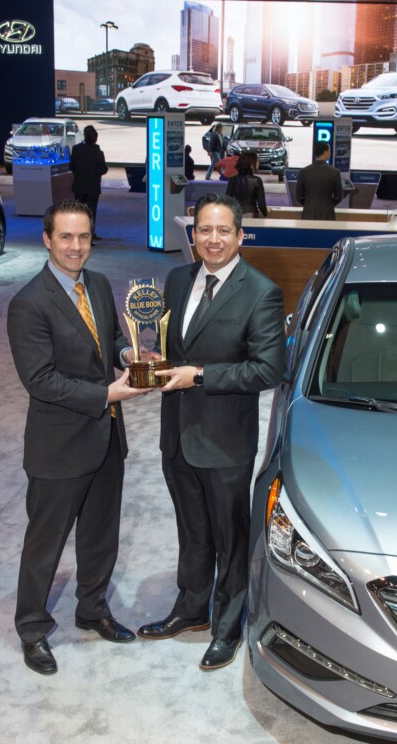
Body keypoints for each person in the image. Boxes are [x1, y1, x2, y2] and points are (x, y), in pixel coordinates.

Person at [138, 192, 285, 671]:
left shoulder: (260, 291)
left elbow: (267, 370)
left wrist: (199, 374)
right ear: (193, 234)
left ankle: (228, 625)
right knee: (192, 530)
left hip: (224, 441)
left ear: (241, 236)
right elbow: (173, 344)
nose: (213, 239)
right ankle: (190, 608)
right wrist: (158, 362)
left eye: (224, 231)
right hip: (176, 434)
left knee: (229, 537)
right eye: (204, 230)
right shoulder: (178, 279)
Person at [6, 199, 150, 676]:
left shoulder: (100, 285)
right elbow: (40, 380)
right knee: (45, 543)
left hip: (106, 437)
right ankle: (31, 628)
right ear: (47, 239)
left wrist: (128, 353)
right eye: (65, 237)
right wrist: (105, 391)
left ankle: (92, 609)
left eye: (83, 237)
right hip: (59, 446)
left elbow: (105, 341)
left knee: (100, 536)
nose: (75, 246)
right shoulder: (29, 303)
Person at [70, 125, 109, 240]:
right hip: (92, 187)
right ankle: (89, 234)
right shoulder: (98, 152)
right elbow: (104, 170)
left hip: (79, 186)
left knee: (79, 212)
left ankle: (78, 234)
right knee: (90, 212)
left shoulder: (76, 149)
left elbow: (71, 166)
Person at [296, 141, 344, 221]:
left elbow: (299, 196)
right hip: (328, 214)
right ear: (325, 152)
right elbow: (338, 197)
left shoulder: (304, 171)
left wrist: (309, 204)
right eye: (330, 151)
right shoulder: (335, 172)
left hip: (308, 213)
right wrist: (328, 204)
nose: (330, 153)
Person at [225, 151, 268, 218]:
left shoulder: (232, 179)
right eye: (256, 161)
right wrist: (266, 213)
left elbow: (227, 199)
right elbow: (261, 204)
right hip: (251, 214)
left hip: (234, 215)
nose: (258, 163)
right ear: (251, 164)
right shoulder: (257, 180)